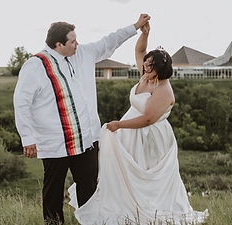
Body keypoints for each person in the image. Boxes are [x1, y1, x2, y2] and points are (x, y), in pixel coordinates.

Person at [13, 14, 151, 224]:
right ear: (59, 45)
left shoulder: (83, 53)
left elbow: (108, 41)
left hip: (86, 140)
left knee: (89, 188)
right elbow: (21, 103)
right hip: (55, 143)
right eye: (72, 41)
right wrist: (27, 137)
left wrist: (135, 27)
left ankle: (90, 222)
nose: (77, 44)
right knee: (53, 190)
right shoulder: (35, 66)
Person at [68, 21, 208, 224]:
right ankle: (123, 208)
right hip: (130, 130)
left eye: (149, 65)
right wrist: (145, 32)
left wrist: (118, 125)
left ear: (159, 69)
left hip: (149, 136)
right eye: (145, 63)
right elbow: (140, 49)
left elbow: (148, 119)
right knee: (121, 173)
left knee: (143, 177)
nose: (144, 66)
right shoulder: (146, 75)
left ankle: (151, 213)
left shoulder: (163, 89)